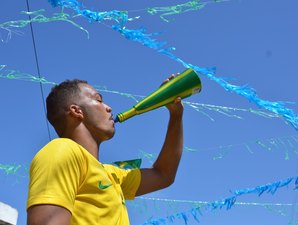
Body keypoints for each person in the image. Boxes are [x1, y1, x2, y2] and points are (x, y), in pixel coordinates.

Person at [27, 76, 184, 225]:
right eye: (98, 100)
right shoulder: (62, 151)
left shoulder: (112, 175)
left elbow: (163, 175)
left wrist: (176, 115)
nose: (108, 108)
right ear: (76, 111)